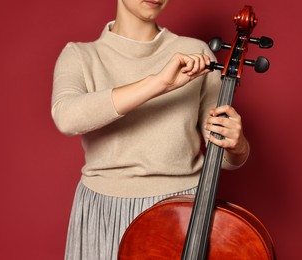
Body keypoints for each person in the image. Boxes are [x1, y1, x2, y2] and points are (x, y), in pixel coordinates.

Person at [52, 0, 250, 259]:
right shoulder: (80, 55)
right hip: (103, 211)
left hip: (181, 212)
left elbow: (222, 154)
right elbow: (67, 117)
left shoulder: (195, 52)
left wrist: (239, 145)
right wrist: (158, 83)